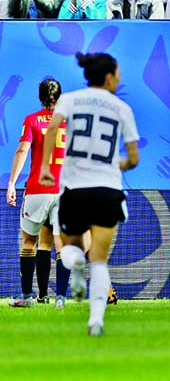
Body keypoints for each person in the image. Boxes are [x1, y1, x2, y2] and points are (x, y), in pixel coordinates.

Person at [39, 52, 140, 337]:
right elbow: (133, 159)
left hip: (75, 190)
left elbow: (51, 131)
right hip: (107, 190)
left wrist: (46, 167)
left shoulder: (70, 99)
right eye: (118, 74)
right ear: (109, 77)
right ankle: (95, 321)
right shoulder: (122, 108)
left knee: (70, 249)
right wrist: (111, 162)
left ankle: (75, 263)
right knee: (100, 259)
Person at [7, 79, 70, 309]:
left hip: (38, 190)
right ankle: (61, 298)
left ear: (39, 97)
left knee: (28, 242)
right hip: (64, 189)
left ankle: (26, 295)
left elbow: (23, 149)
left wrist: (12, 182)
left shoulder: (32, 120)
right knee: (61, 244)